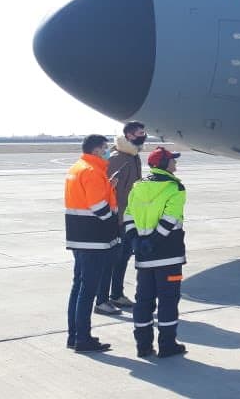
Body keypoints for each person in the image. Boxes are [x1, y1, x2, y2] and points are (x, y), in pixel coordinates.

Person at [124, 147, 188, 358]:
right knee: (168, 300)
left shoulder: (137, 187)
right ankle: (167, 345)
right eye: (172, 161)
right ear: (164, 165)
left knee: (143, 301)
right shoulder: (174, 188)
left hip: (144, 257)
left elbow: (128, 215)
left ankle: (143, 346)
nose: (175, 164)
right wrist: (153, 240)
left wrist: (136, 239)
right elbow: (170, 219)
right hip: (169, 256)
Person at [65, 134, 120, 353]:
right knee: (87, 291)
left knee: (78, 287)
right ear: (97, 151)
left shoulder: (77, 168)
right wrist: (113, 224)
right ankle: (83, 339)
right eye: (105, 149)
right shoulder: (92, 171)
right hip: (93, 239)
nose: (108, 152)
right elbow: (98, 207)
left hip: (79, 237)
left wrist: (108, 186)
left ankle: (75, 335)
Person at [98, 121, 147, 314]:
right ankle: (104, 298)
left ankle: (116, 294)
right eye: (140, 132)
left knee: (123, 257)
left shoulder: (133, 156)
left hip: (129, 217)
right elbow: (110, 190)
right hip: (118, 219)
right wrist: (115, 216)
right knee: (113, 259)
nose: (144, 135)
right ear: (129, 135)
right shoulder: (119, 158)